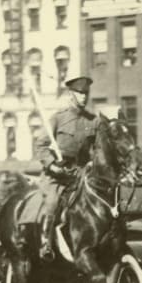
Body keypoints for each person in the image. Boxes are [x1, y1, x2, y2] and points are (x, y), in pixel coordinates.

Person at [34, 75, 99, 259]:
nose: (84, 97)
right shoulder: (58, 119)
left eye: (86, 93)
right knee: (52, 203)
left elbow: (98, 147)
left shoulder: (93, 121)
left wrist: (93, 162)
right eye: (80, 93)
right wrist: (52, 165)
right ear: (71, 94)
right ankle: (46, 243)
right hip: (57, 175)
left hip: (81, 174)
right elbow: (41, 145)